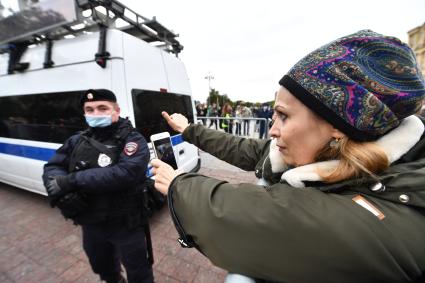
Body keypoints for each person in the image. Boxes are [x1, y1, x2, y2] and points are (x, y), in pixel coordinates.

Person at [150, 30, 425, 282]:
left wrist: (178, 185)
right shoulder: (320, 152)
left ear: (338, 125)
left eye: (283, 115)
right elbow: (242, 148)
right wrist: (189, 129)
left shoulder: (389, 220)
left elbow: (254, 221)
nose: (272, 130)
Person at [42, 89, 154, 283]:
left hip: (126, 222)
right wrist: (59, 191)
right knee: (101, 264)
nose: (95, 113)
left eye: (102, 108)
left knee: (139, 272)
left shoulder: (133, 140)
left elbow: (125, 174)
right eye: (90, 109)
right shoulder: (77, 140)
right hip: (91, 221)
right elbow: (53, 166)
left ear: (116, 110)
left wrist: (71, 181)